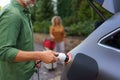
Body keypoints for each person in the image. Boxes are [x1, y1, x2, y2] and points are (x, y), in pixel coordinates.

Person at [0, 0, 58, 80]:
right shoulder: (12, 14)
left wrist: (33, 58)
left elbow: (22, 44)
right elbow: (3, 51)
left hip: (26, 74)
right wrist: (39, 55)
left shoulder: (24, 12)